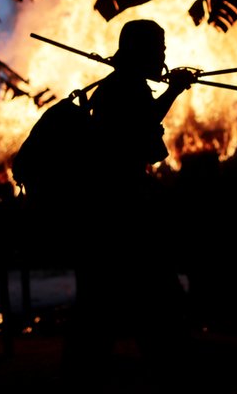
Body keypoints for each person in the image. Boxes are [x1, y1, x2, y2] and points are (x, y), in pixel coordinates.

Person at [62, 19, 197, 385]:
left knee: (107, 298)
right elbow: (139, 129)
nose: (164, 55)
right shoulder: (123, 87)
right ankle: (172, 373)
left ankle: (91, 370)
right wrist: (173, 92)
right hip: (119, 208)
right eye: (159, 48)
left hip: (112, 208)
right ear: (143, 51)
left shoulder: (122, 85)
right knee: (151, 294)